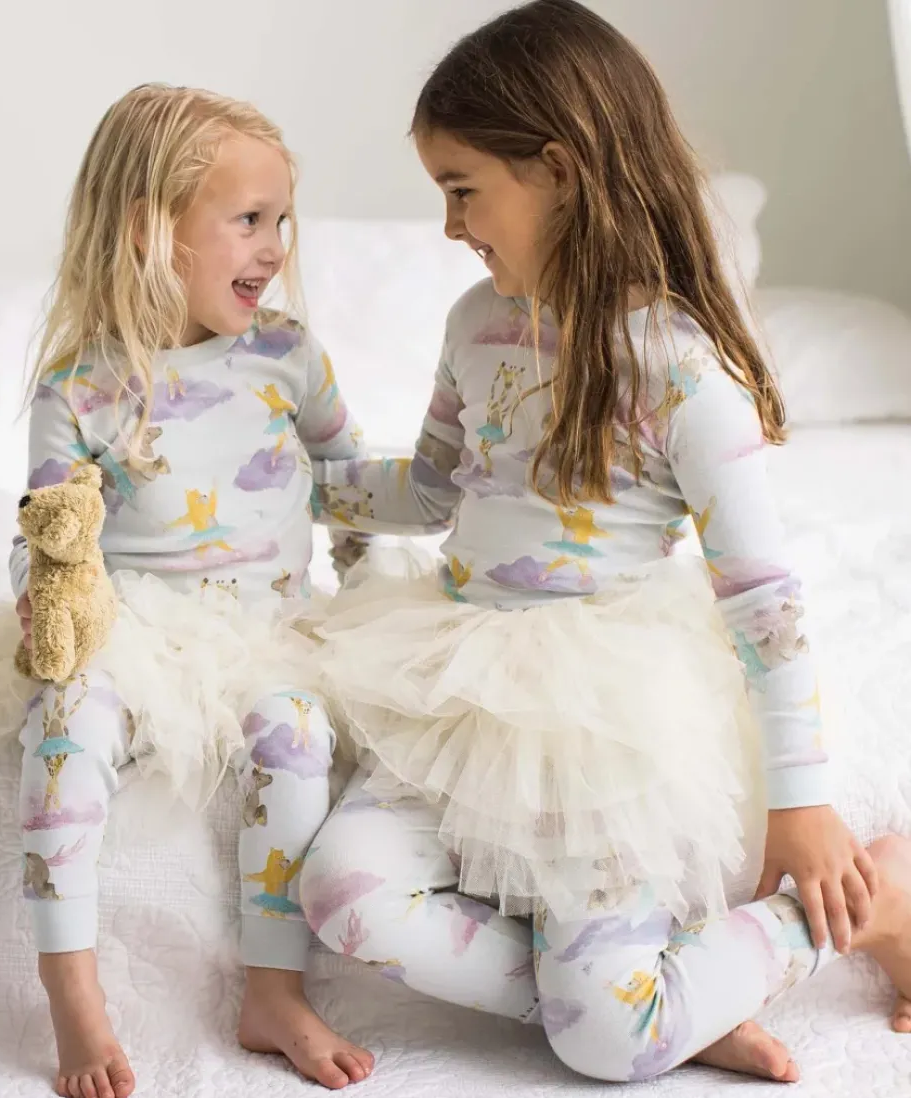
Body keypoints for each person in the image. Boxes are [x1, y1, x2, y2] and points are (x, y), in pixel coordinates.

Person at [297, 0, 911, 1084]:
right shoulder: (475, 325)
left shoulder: (679, 369)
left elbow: (763, 599)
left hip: (602, 709)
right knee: (342, 894)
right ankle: (676, 994)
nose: (450, 225)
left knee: (607, 1046)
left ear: (560, 170)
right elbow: (430, 489)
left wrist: (802, 800)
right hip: (461, 675)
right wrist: (289, 484)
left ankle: (876, 907)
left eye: (463, 190)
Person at [9, 84, 373, 1096]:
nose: (273, 249)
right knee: (63, 733)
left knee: (296, 735)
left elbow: (351, 488)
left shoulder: (288, 358)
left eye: (282, 221)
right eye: (248, 220)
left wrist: (397, 560)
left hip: (264, 628)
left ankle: (273, 990)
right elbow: (50, 530)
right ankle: (73, 995)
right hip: (131, 626)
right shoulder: (80, 388)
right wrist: (44, 598)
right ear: (149, 229)